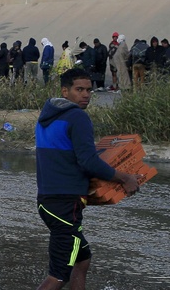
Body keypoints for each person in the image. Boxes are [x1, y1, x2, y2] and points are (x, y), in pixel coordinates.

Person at [34, 68, 140, 290]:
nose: (85, 95)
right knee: (58, 276)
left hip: (48, 201)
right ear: (65, 91)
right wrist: (125, 178)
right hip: (65, 205)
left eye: (89, 90)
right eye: (79, 89)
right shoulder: (77, 117)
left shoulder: (46, 117)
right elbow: (88, 162)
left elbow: (71, 156)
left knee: (82, 259)